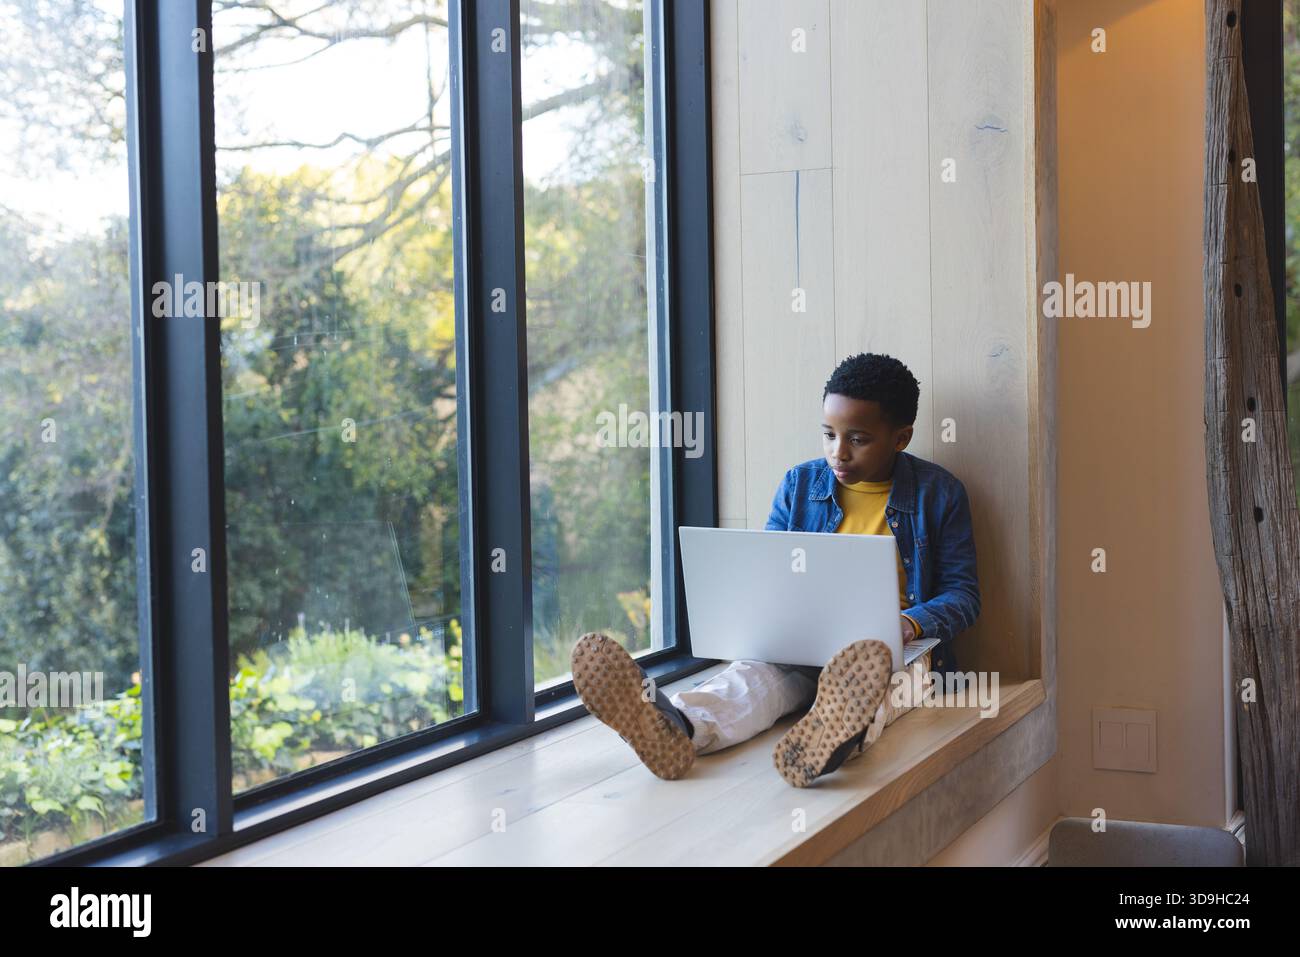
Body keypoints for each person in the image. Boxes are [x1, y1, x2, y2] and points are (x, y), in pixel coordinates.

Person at [571, 352, 981, 787]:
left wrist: (908, 625)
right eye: (828, 435)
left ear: (901, 438)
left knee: (883, 689)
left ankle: (833, 736)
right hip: (803, 641)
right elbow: (769, 570)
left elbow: (964, 595)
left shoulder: (940, 494)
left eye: (858, 439)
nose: (837, 452)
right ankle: (679, 727)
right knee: (751, 679)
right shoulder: (800, 484)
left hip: (892, 653)